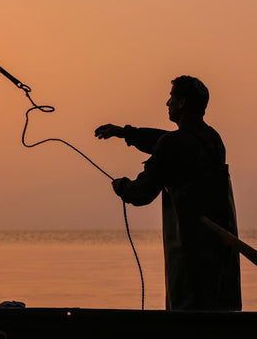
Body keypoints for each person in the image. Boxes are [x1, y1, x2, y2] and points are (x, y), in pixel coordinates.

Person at [94, 75, 241, 311]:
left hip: (189, 256)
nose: (167, 102)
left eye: (171, 97)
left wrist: (123, 187)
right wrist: (126, 133)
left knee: (187, 315)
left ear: (182, 103)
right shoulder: (213, 140)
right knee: (218, 314)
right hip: (220, 258)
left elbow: (142, 193)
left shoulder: (176, 143)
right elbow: (166, 140)